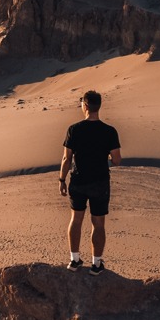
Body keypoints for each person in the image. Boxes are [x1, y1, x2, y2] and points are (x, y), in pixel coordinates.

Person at [59, 90, 121, 274]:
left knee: (76, 220)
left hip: (78, 181)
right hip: (100, 182)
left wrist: (62, 179)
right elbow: (117, 160)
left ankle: (74, 260)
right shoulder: (109, 131)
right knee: (98, 223)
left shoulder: (74, 129)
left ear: (85, 106)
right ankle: (96, 264)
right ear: (98, 106)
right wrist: (103, 159)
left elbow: (66, 159)